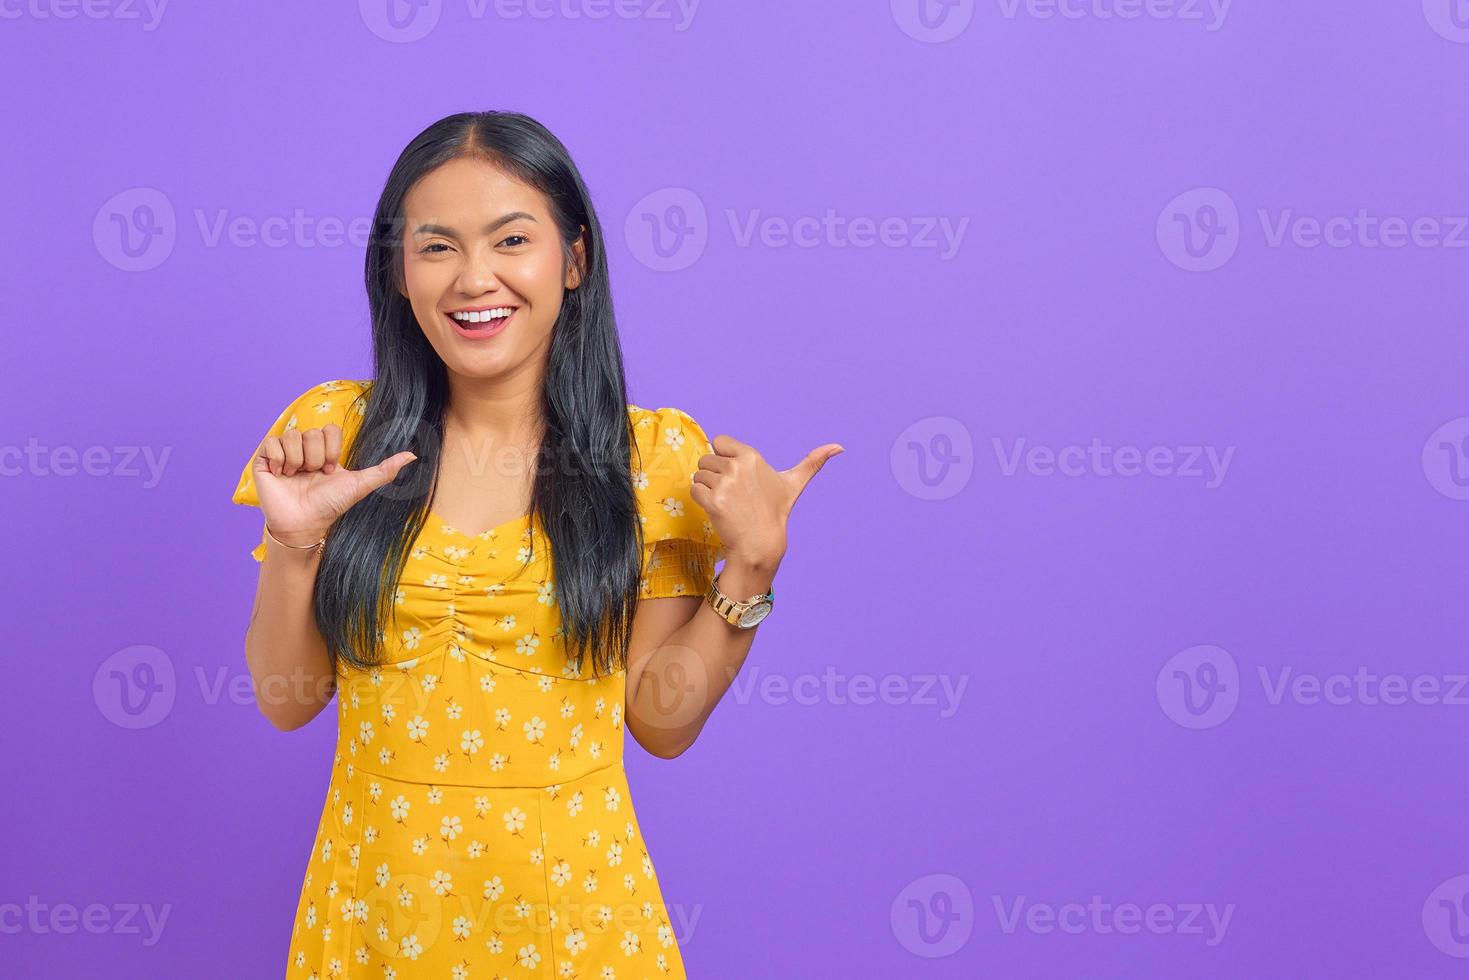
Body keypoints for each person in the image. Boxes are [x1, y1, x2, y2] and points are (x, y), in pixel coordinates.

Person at [230, 110, 842, 978]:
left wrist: (751, 565)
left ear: (575, 259)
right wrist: (295, 545)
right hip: (371, 914)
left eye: (511, 239)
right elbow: (288, 701)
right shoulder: (335, 434)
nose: (474, 278)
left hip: (578, 923)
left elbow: (660, 724)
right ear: (397, 273)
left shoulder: (651, 460)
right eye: (436, 246)